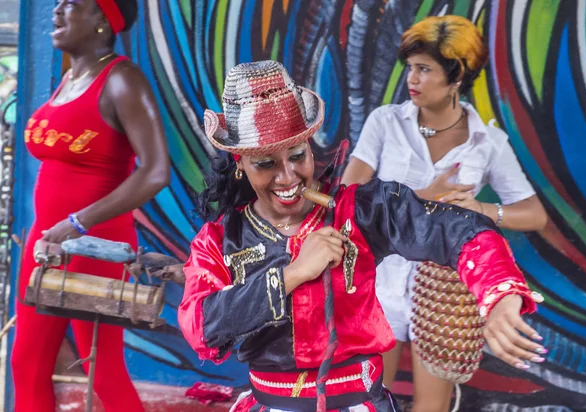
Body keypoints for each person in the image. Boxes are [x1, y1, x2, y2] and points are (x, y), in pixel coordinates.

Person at [178, 60, 546, 412]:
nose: (288, 176)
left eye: (297, 155)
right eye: (265, 163)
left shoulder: (363, 211)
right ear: (240, 165)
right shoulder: (220, 240)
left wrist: (499, 293)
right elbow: (201, 328)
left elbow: (460, 230)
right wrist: (293, 274)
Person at [342, 15, 548, 412]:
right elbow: (348, 198)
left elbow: (534, 214)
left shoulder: (487, 142)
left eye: (424, 69)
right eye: (410, 68)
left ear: (456, 78)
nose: (411, 79)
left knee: (431, 407)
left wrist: (482, 209)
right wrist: (420, 198)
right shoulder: (385, 122)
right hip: (375, 286)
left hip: (443, 296)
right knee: (364, 402)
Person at [12, 1, 170, 410]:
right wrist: (58, 230)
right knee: (26, 363)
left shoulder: (122, 80)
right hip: (47, 243)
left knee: (101, 367)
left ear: (102, 19)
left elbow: (155, 172)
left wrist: (77, 224)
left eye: (72, 4)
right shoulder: (68, 79)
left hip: (93, 242)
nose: (57, 10)